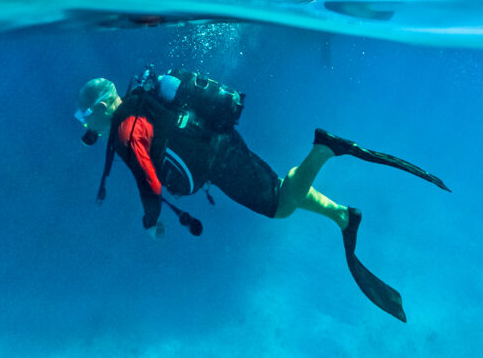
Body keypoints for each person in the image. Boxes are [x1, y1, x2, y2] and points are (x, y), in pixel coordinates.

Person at [74, 67, 449, 322]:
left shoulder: (126, 130)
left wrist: (150, 223)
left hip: (220, 164)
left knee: (280, 207)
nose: (86, 125)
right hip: (221, 144)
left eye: (86, 117)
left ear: (104, 107)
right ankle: (342, 216)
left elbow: (149, 183)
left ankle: (324, 150)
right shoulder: (142, 99)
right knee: (280, 191)